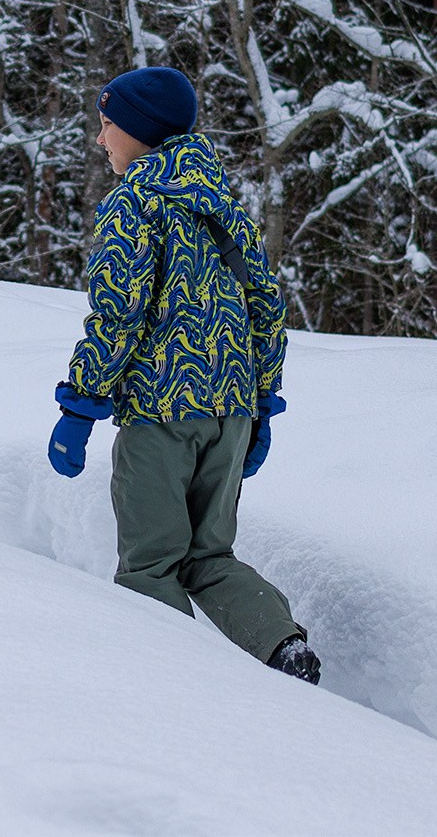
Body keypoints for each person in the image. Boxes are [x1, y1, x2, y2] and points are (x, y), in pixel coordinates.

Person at [45, 66, 322, 684]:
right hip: (231, 415)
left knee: (150, 565)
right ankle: (282, 646)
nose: (100, 139)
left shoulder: (135, 202)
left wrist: (79, 406)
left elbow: (119, 307)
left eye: (107, 125)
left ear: (139, 133)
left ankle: (172, 690)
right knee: (208, 556)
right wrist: (261, 405)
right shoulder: (222, 202)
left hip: (161, 416)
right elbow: (265, 307)